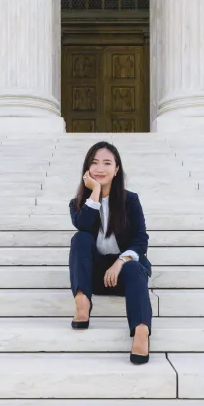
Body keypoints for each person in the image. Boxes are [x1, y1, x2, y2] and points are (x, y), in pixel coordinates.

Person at [68, 141, 153, 365]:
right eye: (94, 163)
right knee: (80, 239)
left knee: (134, 266)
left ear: (116, 170)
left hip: (123, 274)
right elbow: (84, 226)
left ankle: (141, 332)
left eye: (107, 163)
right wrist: (95, 191)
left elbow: (140, 239)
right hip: (94, 277)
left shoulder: (130, 200)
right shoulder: (77, 204)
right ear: (87, 169)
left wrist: (120, 262)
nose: (100, 168)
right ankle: (82, 302)